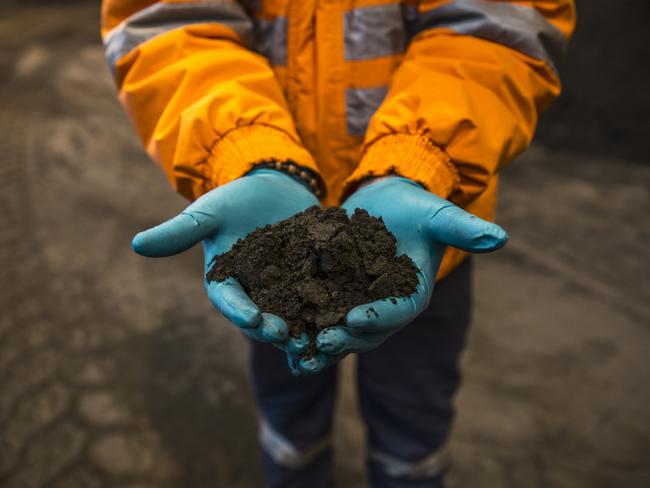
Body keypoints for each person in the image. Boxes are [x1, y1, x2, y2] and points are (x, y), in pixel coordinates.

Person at [101, 1, 575, 486]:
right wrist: (238, 147)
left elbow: (496, 27)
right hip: (265, 240)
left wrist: (419, 158)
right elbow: (170, 25)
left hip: (420, 236)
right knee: (289, 414)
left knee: (413, 423)